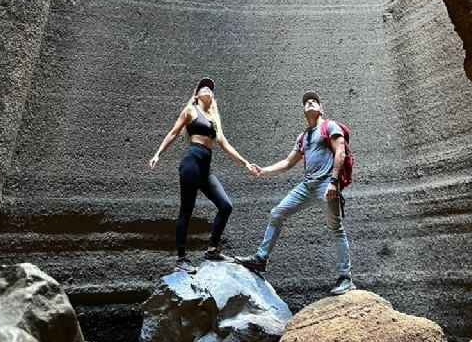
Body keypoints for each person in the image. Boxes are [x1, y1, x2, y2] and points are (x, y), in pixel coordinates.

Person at [238, 91, 354, 295]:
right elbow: (287, 163)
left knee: (336, 228)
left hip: (326, 185)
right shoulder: (303, 137)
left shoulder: (330, 127)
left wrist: (333, 182)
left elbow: (340, 152)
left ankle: (346, 278)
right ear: (303, 111)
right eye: (306, 102)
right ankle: (260, 258)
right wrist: (263, 171)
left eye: (314, 101)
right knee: (277, 213)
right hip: (307, 187)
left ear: (321, 109)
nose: (310, 102)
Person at [149, 77, 258, 274]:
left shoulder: (214, 120)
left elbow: (225, 145)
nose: (207, 89)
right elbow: (173, 132)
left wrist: (246, 163)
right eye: (203, 88)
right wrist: (158, 154)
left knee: (225, 206)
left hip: (205, 168)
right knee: (186, 210)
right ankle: (181, 259)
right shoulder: (191, 111)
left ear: (213, 96)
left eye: (210, 89)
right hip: (191, 162)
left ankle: (212, 250)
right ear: (196, 94)